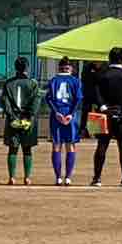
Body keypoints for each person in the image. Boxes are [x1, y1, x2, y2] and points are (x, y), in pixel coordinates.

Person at [91, 47, 122, 187]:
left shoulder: (101, 74)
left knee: (101, 145)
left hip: (103, 114)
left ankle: (97, 178)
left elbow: (96, 93)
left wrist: (103, 107)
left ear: (109, 58)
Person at [2, 56, 43, 186]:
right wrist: (29, 118)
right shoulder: (33, 83)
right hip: (27, 120)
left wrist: (12, 117)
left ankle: (12, 177)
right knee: (27, 149)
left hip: (12, 120)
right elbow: (36, 102)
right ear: (27, 68)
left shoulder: (8, 83)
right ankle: (27, 177)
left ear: (15, 68)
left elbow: (5, 102)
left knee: (12, 149)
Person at [46, 57, 84, 186]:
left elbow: (49, 99)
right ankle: (68, 177)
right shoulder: (75, 81)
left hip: (57, 114)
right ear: (71, 68)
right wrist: (71, 114)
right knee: (70, 145)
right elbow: (78, 99)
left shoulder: (53, 80)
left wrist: (56, 112)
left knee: (56, 145)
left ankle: (58, 177)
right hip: (70, 114)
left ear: (59, 68)